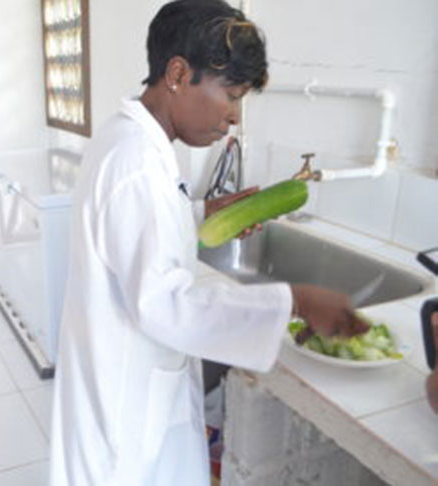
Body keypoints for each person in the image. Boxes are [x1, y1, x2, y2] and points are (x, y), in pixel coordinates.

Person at [49, 1, 368, 485]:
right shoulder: (137, 164)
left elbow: (136, 235)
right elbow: (167, 304)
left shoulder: (130, 138)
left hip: (125, 381)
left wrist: (198, 213)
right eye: (232, 94)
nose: (235, 117)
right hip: (126, 412)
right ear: (178, 73)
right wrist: (296, 300)